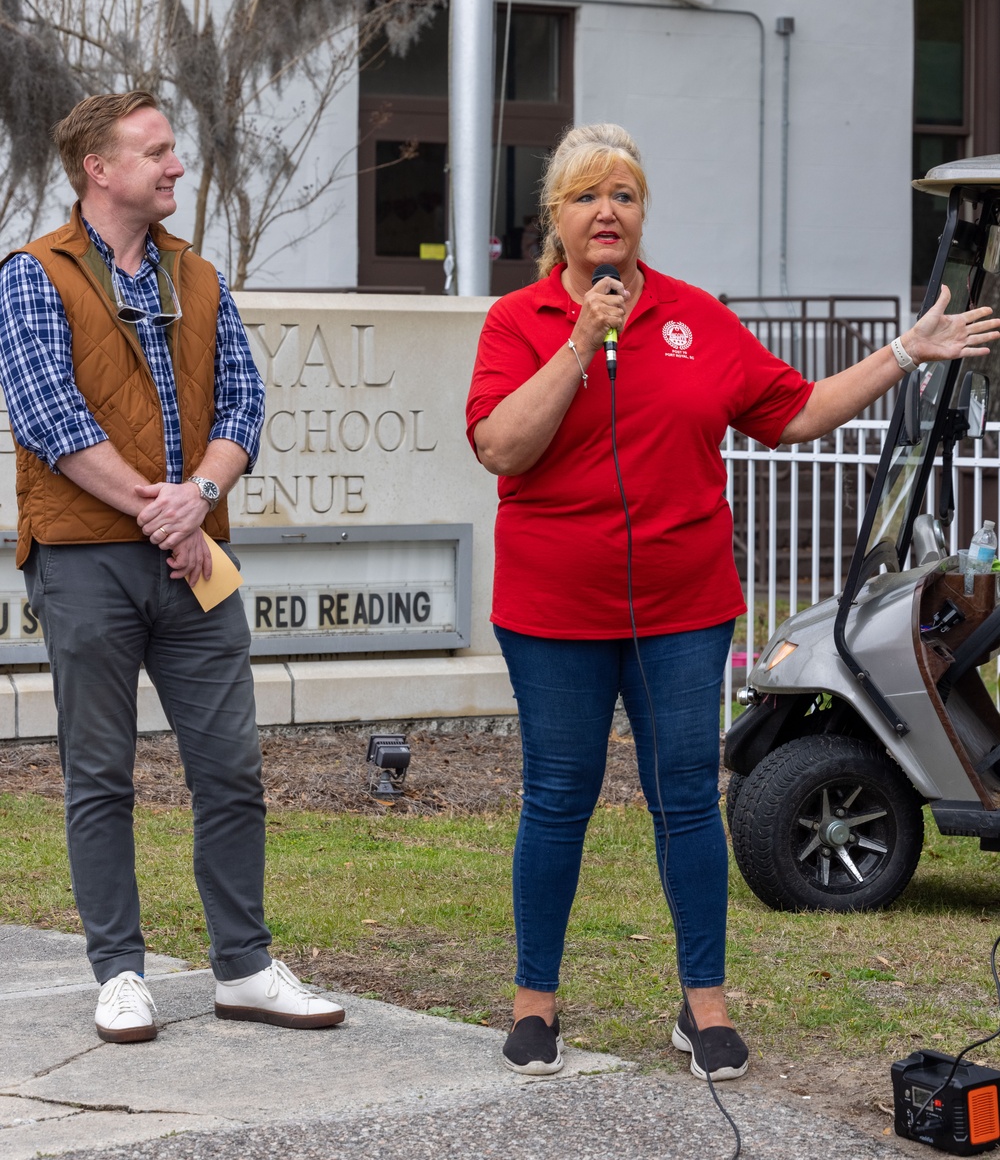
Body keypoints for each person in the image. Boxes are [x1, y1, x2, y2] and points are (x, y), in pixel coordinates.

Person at [466, 121, 999, 1081]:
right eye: (587, 195)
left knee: (685, 800)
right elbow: (504, 446)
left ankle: (703, 1005)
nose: (607, 212)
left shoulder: (694, 316)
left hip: (681, 608)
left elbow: (793, 413)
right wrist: (584, 337)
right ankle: (534, 1003)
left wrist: (908, 352)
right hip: (553, 612)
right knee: (557, 799)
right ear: (556, 216)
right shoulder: (519, 323)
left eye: (624, 195)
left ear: (642, 214)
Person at [0, 91, 345, 1043]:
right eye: (154, 153)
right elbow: (49, 415)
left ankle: (243, 965)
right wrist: (164, 508)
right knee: (99, 774)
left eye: (173, 152)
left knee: (231, 768)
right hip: (84, 563)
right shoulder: (33, 274)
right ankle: (119, 970)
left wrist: (198, 494)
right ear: (97, 169)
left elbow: (244, 398)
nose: (176, 167)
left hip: (194, 555)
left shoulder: (197, 276)